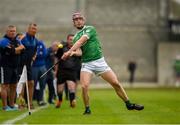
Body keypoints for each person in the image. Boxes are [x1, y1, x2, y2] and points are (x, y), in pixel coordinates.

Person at [61, 12, 144, 114]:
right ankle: (87, 109)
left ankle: (129, 104)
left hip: (99, 62)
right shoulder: (75, 37)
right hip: (87, 64)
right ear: (74, 23)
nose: (78, 21)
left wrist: (69, 51)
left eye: (80, 19)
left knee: (115, 83)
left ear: (83, 20)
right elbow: (80, 51)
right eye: (76, 20)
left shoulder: (90, 29)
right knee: (84, 86)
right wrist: (72, 53)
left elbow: (82, 41)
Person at [0, 25, 25, 111]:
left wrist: (15, 50)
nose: (13, 32)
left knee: (14, 86)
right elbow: (11, 51)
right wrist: (17, 50)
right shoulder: (3, 41)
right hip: (5, 66)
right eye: (11, 31)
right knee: (5, 86)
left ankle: (11, 105)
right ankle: (5, 106)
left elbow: (23, 49)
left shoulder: (17, 40)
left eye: (14, 31)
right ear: (7, 32)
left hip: (15, 66)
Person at [54, 34, 82, 108]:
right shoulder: (62, 47)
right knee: (60, 89)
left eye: (73, 39)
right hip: (61, 70)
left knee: (71, 87)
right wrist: (56, 70)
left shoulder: (76, 47)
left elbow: (80, 54)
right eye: (70, 39)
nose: (71, 41)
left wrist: (73, 53)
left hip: (72, 70)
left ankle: (72, 101)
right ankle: (60, 100)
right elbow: (57, 58)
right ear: (67, 40)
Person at [20, 23, 38, 109]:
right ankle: (21, 103)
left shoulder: (35, 40)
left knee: (31, 83)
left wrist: (34, 57)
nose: (34, 30)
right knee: (21, 83)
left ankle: (30, 103)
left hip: (28, 65)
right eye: (32, 29)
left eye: (35, 29)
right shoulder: (22, 38)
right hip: (20, 64)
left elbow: (35, 51)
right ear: (28, 29)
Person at [32, 40, 47, 106]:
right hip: (34, 67)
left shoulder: (40, 43)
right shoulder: (30, 43)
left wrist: (37, 54)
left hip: (42, 66)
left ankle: (40, 100)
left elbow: (44, 54)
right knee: (32, 84)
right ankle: (30, 100)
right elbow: (31, 55)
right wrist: (38, 54)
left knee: (42, 84)